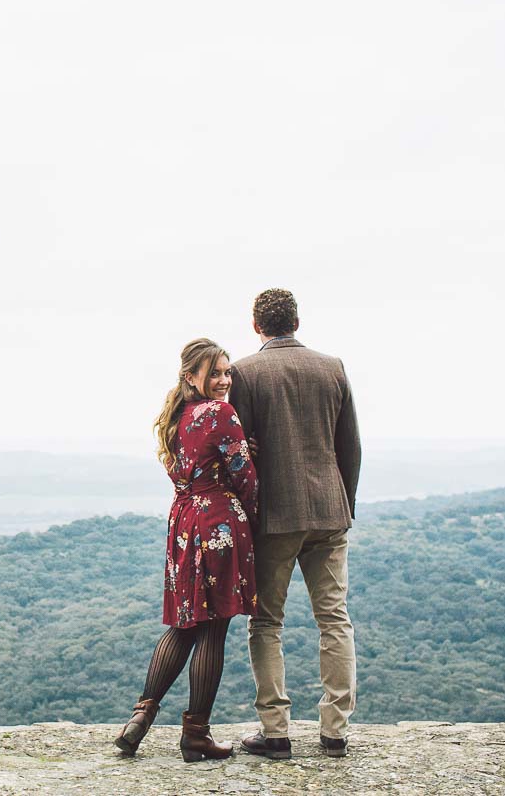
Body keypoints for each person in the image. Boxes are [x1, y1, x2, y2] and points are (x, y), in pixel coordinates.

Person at [227, 288, 361, 759]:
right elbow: (351, 447)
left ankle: (276, 731)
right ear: (297, 322)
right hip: (330, 511)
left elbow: (239, 452)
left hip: (274, 517)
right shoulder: (333, 366)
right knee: (334, 620)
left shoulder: (244, 372)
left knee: (266, 623)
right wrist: (345, 505)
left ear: (256, 325)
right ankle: (335, 731)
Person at [114, 338, 259, 762]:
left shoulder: (174, 417)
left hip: (183, 522)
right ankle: (196, 734)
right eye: (214, 372)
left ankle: (141, 717)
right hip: (217, 522)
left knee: (183, 624)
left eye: (227, 372)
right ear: (191, 376)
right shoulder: (221, 413)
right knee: (212, 628)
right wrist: (252, 514)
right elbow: (244, 477)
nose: (223, 380)